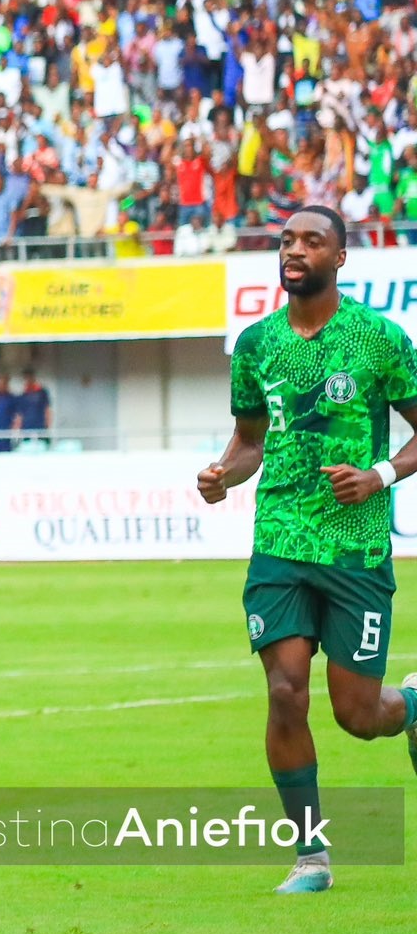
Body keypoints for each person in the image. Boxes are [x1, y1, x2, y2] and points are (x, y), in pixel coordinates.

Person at [197, 206, 417, 896]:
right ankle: (311, 855)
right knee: (286, 693)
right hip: (280, 543)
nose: (294, 250)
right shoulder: (257, 345)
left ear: (340, 258)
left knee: (359, 716)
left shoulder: (380, 339)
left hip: (355, 549)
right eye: (287, 240)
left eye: (310, 241)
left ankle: (409, 704)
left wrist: (378, 475)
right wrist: (221, 474)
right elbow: (250, 440)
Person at [15, 370, 52, 446]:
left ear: (33, 378)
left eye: (29, 378)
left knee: (43, 447)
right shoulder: (23, 395)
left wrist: (48, 424)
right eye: (26, 378)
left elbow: (47, 409)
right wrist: (18, 429)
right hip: (26, 428)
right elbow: (20, 415)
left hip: (40, 427)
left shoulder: (42, 392)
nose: (28, 380)